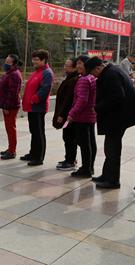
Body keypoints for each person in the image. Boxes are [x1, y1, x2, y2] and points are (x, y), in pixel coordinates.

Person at [85, 56, 135, 189]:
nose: (92, 76)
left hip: (118, 118)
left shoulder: (111, 74)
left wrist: (98, 108)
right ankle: (107, 175)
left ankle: (112, 181)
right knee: (109, 148)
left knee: (112, 150)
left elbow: (117, 96)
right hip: (119, 117)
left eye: (92, 72)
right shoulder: (113, 71)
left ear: (98, 68)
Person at [20, 50, 54, 166]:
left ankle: (38, 157)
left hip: (38, 107)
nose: (34, 61)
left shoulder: (47, 72)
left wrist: (34, 99)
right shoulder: (37, 71)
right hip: (32, 107)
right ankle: (32, 153)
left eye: (36, 59)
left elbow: (45, 89)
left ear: (43, 60)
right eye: (33, 59)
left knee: (39, 133)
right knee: (33, 131)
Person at [67, 55, 97, 178]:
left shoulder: (84, 79)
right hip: (91, 116)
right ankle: (90, 166)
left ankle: (86, 169)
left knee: (84, 143)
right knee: (90, 143)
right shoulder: (92, 78)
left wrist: (72, 113)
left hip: (83, 116)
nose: (77, 66)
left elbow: (82, 100)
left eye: (80, 63)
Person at [51, 57, 80, 171]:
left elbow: (68, 100)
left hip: (68, 115)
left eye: (67, 66)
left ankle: (70, 161)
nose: (65, 68)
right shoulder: (70, 78)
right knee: (67, 137)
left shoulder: (74, 80)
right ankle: (68, 158)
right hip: (66, 113)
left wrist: (61, 115)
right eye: (65, 65)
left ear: (75, 67)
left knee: (69, 138)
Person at [0, 54, 23, 160]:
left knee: (11, 129)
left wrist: (6, 106)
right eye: (5, 61)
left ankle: (12, 151)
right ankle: (10, 147)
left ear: (14, 65)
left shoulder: (14, 75)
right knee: (8, 128)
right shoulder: (10, 73)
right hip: (8, 105)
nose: (5, 64)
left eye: (8, 62)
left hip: (11, 106)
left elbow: (13, 93)